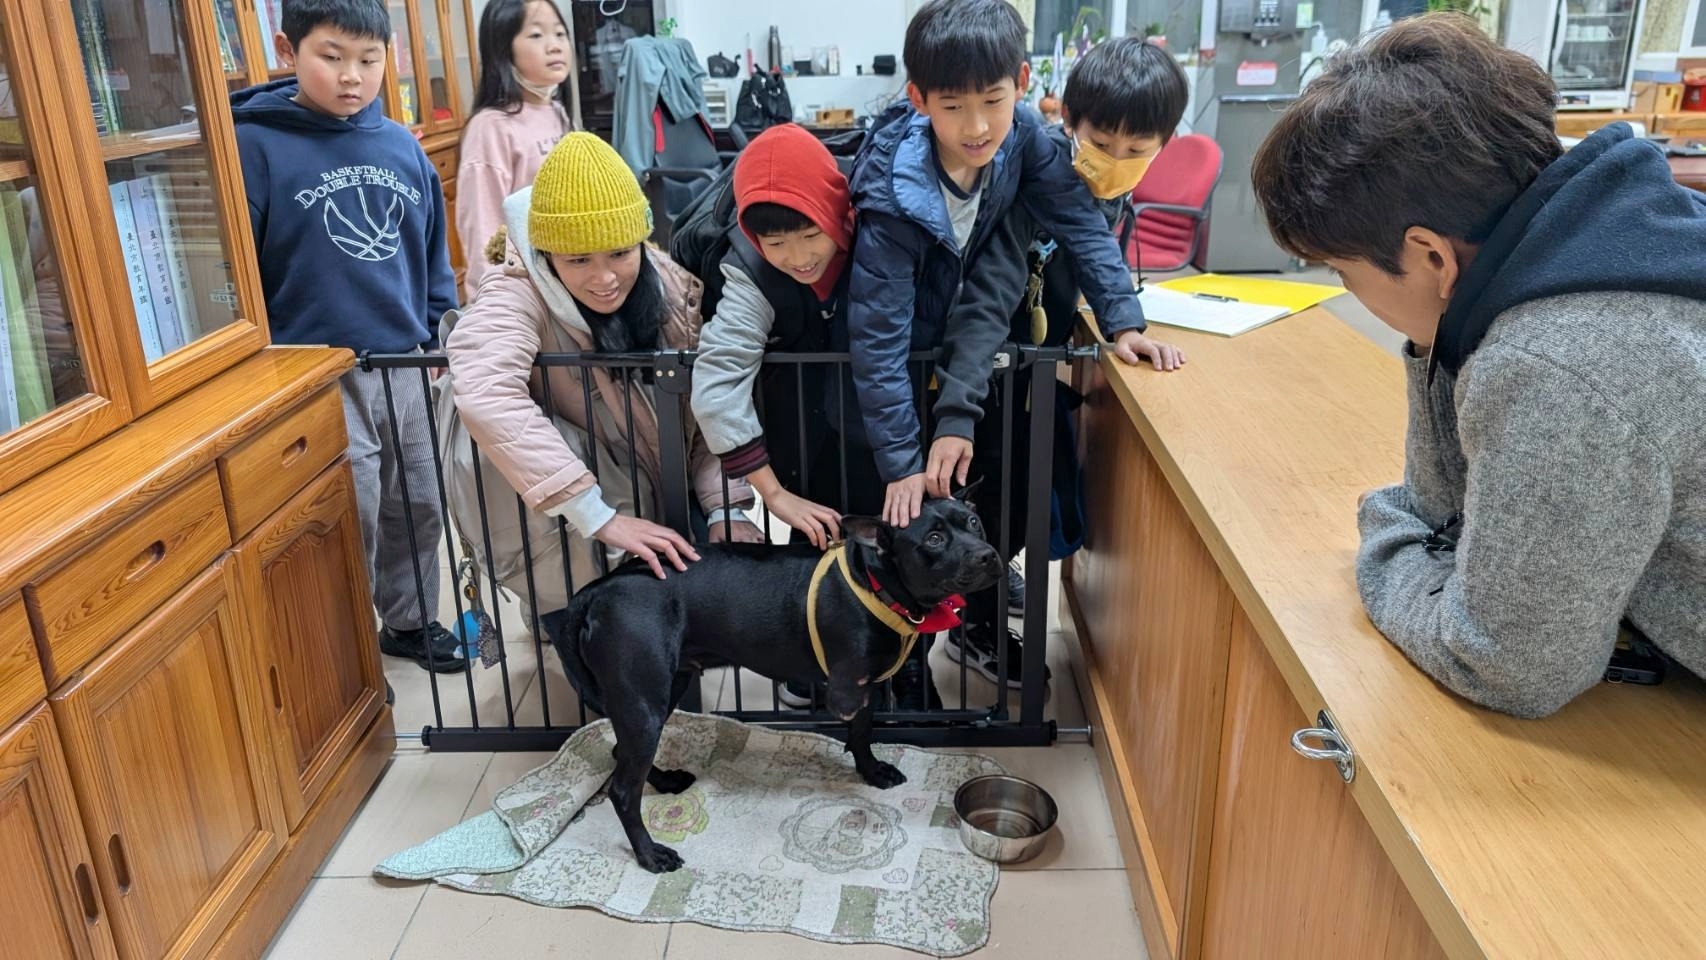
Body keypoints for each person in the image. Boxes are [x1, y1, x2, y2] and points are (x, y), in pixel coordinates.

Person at [1250, 13, 1706, 718]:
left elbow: (1506, 662)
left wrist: (1387, 544)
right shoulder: (1597, 237)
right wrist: (1443, 338)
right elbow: (1449, 517)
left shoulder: (1560, 363)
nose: (1347, 290)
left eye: (1340, 269)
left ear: (1431, 256)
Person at [842, 0, 1183, 695]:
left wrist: (1125, 320)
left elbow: (1082, 227)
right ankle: (867, 660)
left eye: (993, 101)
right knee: (884, 507)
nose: (976, 127)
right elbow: (877, 340)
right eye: (953, 106)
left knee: (972, 497)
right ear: (918, 100)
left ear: (1023, 84)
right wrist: (903, 461)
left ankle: (959, 624)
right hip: (898, 369)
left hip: (968, 361)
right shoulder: (892, 194)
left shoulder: (1024, 142)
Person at [439, 133, 756, 636]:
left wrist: (725, 505)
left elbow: (701, 410)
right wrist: (597, 516)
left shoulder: (671, 286)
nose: (605, 277)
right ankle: (555, 610)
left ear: (642, 241)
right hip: (569, 517)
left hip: (658, 488)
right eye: (578, 259)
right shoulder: (512, 293)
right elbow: (485, 390)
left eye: (618, 253)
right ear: (545, 255)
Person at [233, 0, 462, 673]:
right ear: (287, 49)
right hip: (314, 370)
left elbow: (430, 254)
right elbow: (238, 269)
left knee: (418, 498)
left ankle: (410, 619)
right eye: (331, 56)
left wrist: (439, 337)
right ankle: (347, 656)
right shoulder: (254, 144)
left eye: (369, 59)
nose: (352, 76)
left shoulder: (399, 143)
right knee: (349, 509)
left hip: (405, 359)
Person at [686, 122, 853, 708]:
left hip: (879, 415)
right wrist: (774, 496)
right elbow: (716, 386)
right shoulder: (749, 271)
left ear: (838, 211)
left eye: (809, 233)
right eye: (774, 243)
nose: (797, 257)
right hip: (795, 418)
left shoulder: (876, 232)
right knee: (810, 535)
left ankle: (895, 663)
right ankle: (810, 656)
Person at [455, 0, 575, 300]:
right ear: (503, 50)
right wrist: (491, 305)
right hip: (523, 291)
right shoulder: (491, 127)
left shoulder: (559, 113)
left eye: (560, 34)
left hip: (568, 283)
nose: (555, 46)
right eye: (536, 35)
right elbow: (483, 233)